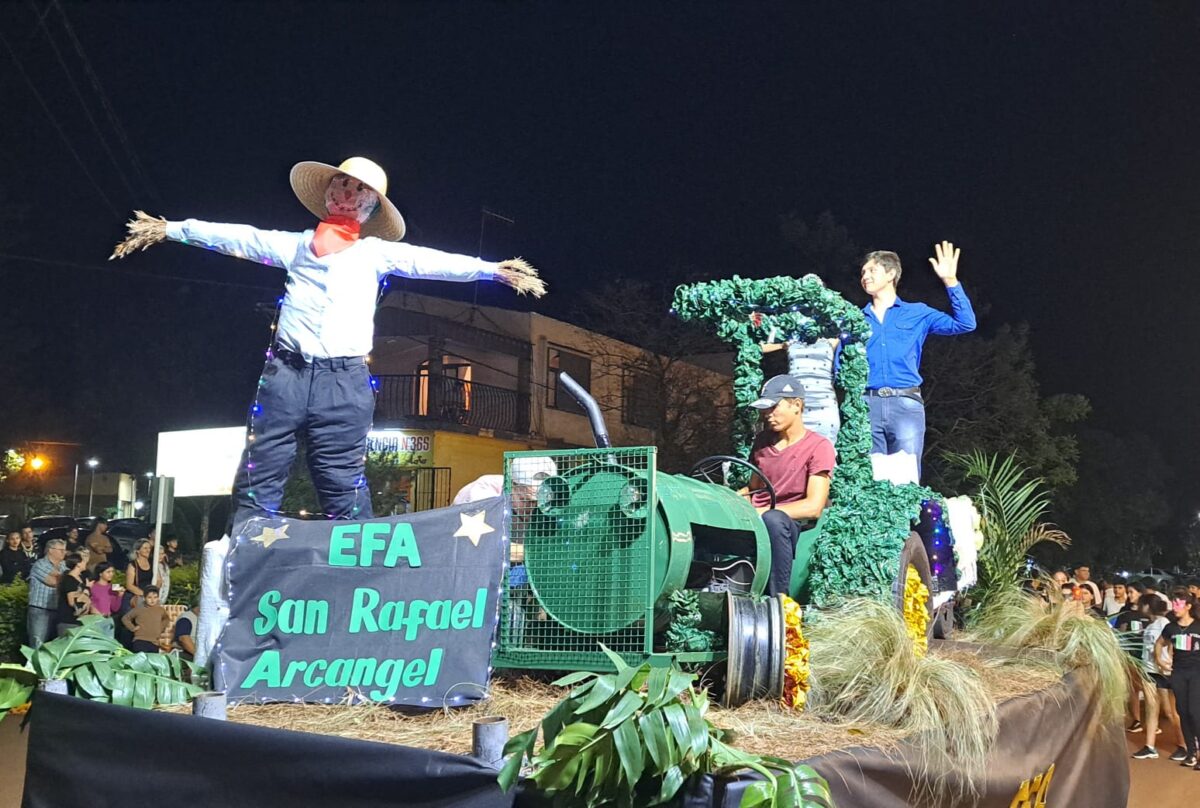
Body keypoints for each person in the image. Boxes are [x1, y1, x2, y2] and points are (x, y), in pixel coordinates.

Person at [111, 156, 546, 532]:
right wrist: (171, 229)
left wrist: (491, 270)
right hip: (287, 372)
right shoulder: (294, 246)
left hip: (344, 378)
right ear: (328, 192)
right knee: (262, 465)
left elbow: (431, 262)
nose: (350, 191)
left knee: (340, 477)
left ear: (371, 205)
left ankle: (357, 562)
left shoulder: (375, 253)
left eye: (361, 189)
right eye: (344, 182)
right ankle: (244, 546)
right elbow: (237, 236)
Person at [859, 242, 976, 477]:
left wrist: (950, 281)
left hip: (905, 404)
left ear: (891, 273)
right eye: (863, 273)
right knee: (870, 480)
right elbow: (841, 360)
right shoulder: (856, 318)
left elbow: (965, 323)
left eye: (871, 271)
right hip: (866, 405)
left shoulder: (917, 312)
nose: (865, 277)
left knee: (905, 479)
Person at [739, 374, 835, 596]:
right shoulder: (762, 442)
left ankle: (779, 602)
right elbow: (754, 489)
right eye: (765, 409)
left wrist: (761, 512)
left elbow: (814, 506)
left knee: (773, 520)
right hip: (757, 514)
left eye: (774, 407)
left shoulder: (819, 446)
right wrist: (726, 500)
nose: (767, 415)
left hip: (792, 524)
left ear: (797, 406)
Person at [1132, 597, 1187, 761]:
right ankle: (1149, 746)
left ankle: (1183, 745)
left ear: (1147, 606)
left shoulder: (1164, 623)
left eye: (1141, 604)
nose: (1138, 606)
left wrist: (1166, 661)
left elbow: (1171, 643)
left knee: (1171, 712)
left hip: (1165, 672)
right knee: (1151, 708)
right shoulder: (1150, 625)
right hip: (1150, 671)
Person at [1156, 590, 1200, 769]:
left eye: (1179, 604)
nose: (1175, 608)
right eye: (1173, 604)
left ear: (1188, 606)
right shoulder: (1171, 628)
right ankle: (1191, 753)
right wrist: (1160, 660)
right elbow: (1159, 643)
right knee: (1182, 711)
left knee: (1194, 712)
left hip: (1197, 672)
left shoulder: (1198, 626)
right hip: (1178, 673)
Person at [26, 539, 67, 648]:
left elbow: (69, 582)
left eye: (65, 550)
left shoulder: (64, 565)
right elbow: (53, 582)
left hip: (57, 610)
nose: (64, 553)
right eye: (61, 550)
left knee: (54, 646)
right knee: (38, 644)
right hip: (40, 610)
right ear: (50, 550)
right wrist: (61, 578)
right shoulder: (40, 564)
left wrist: (59, 577)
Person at [121, 586, 170, 654]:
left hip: (154, 642)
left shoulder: (160, 610)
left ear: (158, 598)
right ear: (144, 598)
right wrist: (132, 628)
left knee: (152, 662)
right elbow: (125, 618)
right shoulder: (139, 609)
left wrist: (161, 628)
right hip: (140, 640)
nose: (152, 600)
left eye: (155, 597)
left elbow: (166, 619)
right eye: (149, 597)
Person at [55, 552, 94, 636]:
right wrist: (86, 590)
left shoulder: (82, 578)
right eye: (83, 561)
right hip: (69, 620)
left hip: (80, 620)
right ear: (78, 564)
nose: (85, 563)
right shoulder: (69, 580)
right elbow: (72, 602)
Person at [124, 539, 155, 611]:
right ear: (138, 551)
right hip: (135, 596)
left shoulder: (152, 563)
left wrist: (154, 592)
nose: (148, 550)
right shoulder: (132, 565)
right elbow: (129, 585)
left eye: (149, 548)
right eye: (145, 548)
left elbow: (159, 580)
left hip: (150, 596)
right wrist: (144, 594)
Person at [173, 596, 200, 660]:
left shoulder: (203, 620)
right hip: (186, 654)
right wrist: (199, 657)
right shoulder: (186, 618)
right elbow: (184, 639)